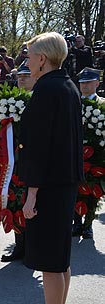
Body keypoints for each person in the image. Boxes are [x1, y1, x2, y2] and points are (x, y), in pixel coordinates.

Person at [18, 32, 83, 304]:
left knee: (51, 263)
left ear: (42, 59)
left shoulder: (46, 90)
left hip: (48, 187)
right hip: (65, 184)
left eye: (30, 56)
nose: (27, 61)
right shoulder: (68, 86)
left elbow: (39, 149)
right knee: (60, 261)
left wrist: (31, 195)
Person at [0, 61, 36, 263]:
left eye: (26, 76)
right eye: (19, 77)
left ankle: (33, 247)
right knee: (14, 201)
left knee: (31, 203)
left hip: (32, 159)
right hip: (13, 161)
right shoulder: (10, 102)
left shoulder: (40, 99)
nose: (22, 80)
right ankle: (20, 245)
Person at [72, 67, 104, 239]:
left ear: (97, 83)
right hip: (76, 153)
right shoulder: (73, 102)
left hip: (97, 154)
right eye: (82, 83)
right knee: (75, 189)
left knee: (93, 189)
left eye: (88, 82)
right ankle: (76, 222)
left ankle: (88, 224)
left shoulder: (102, 104)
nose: (84, 86)